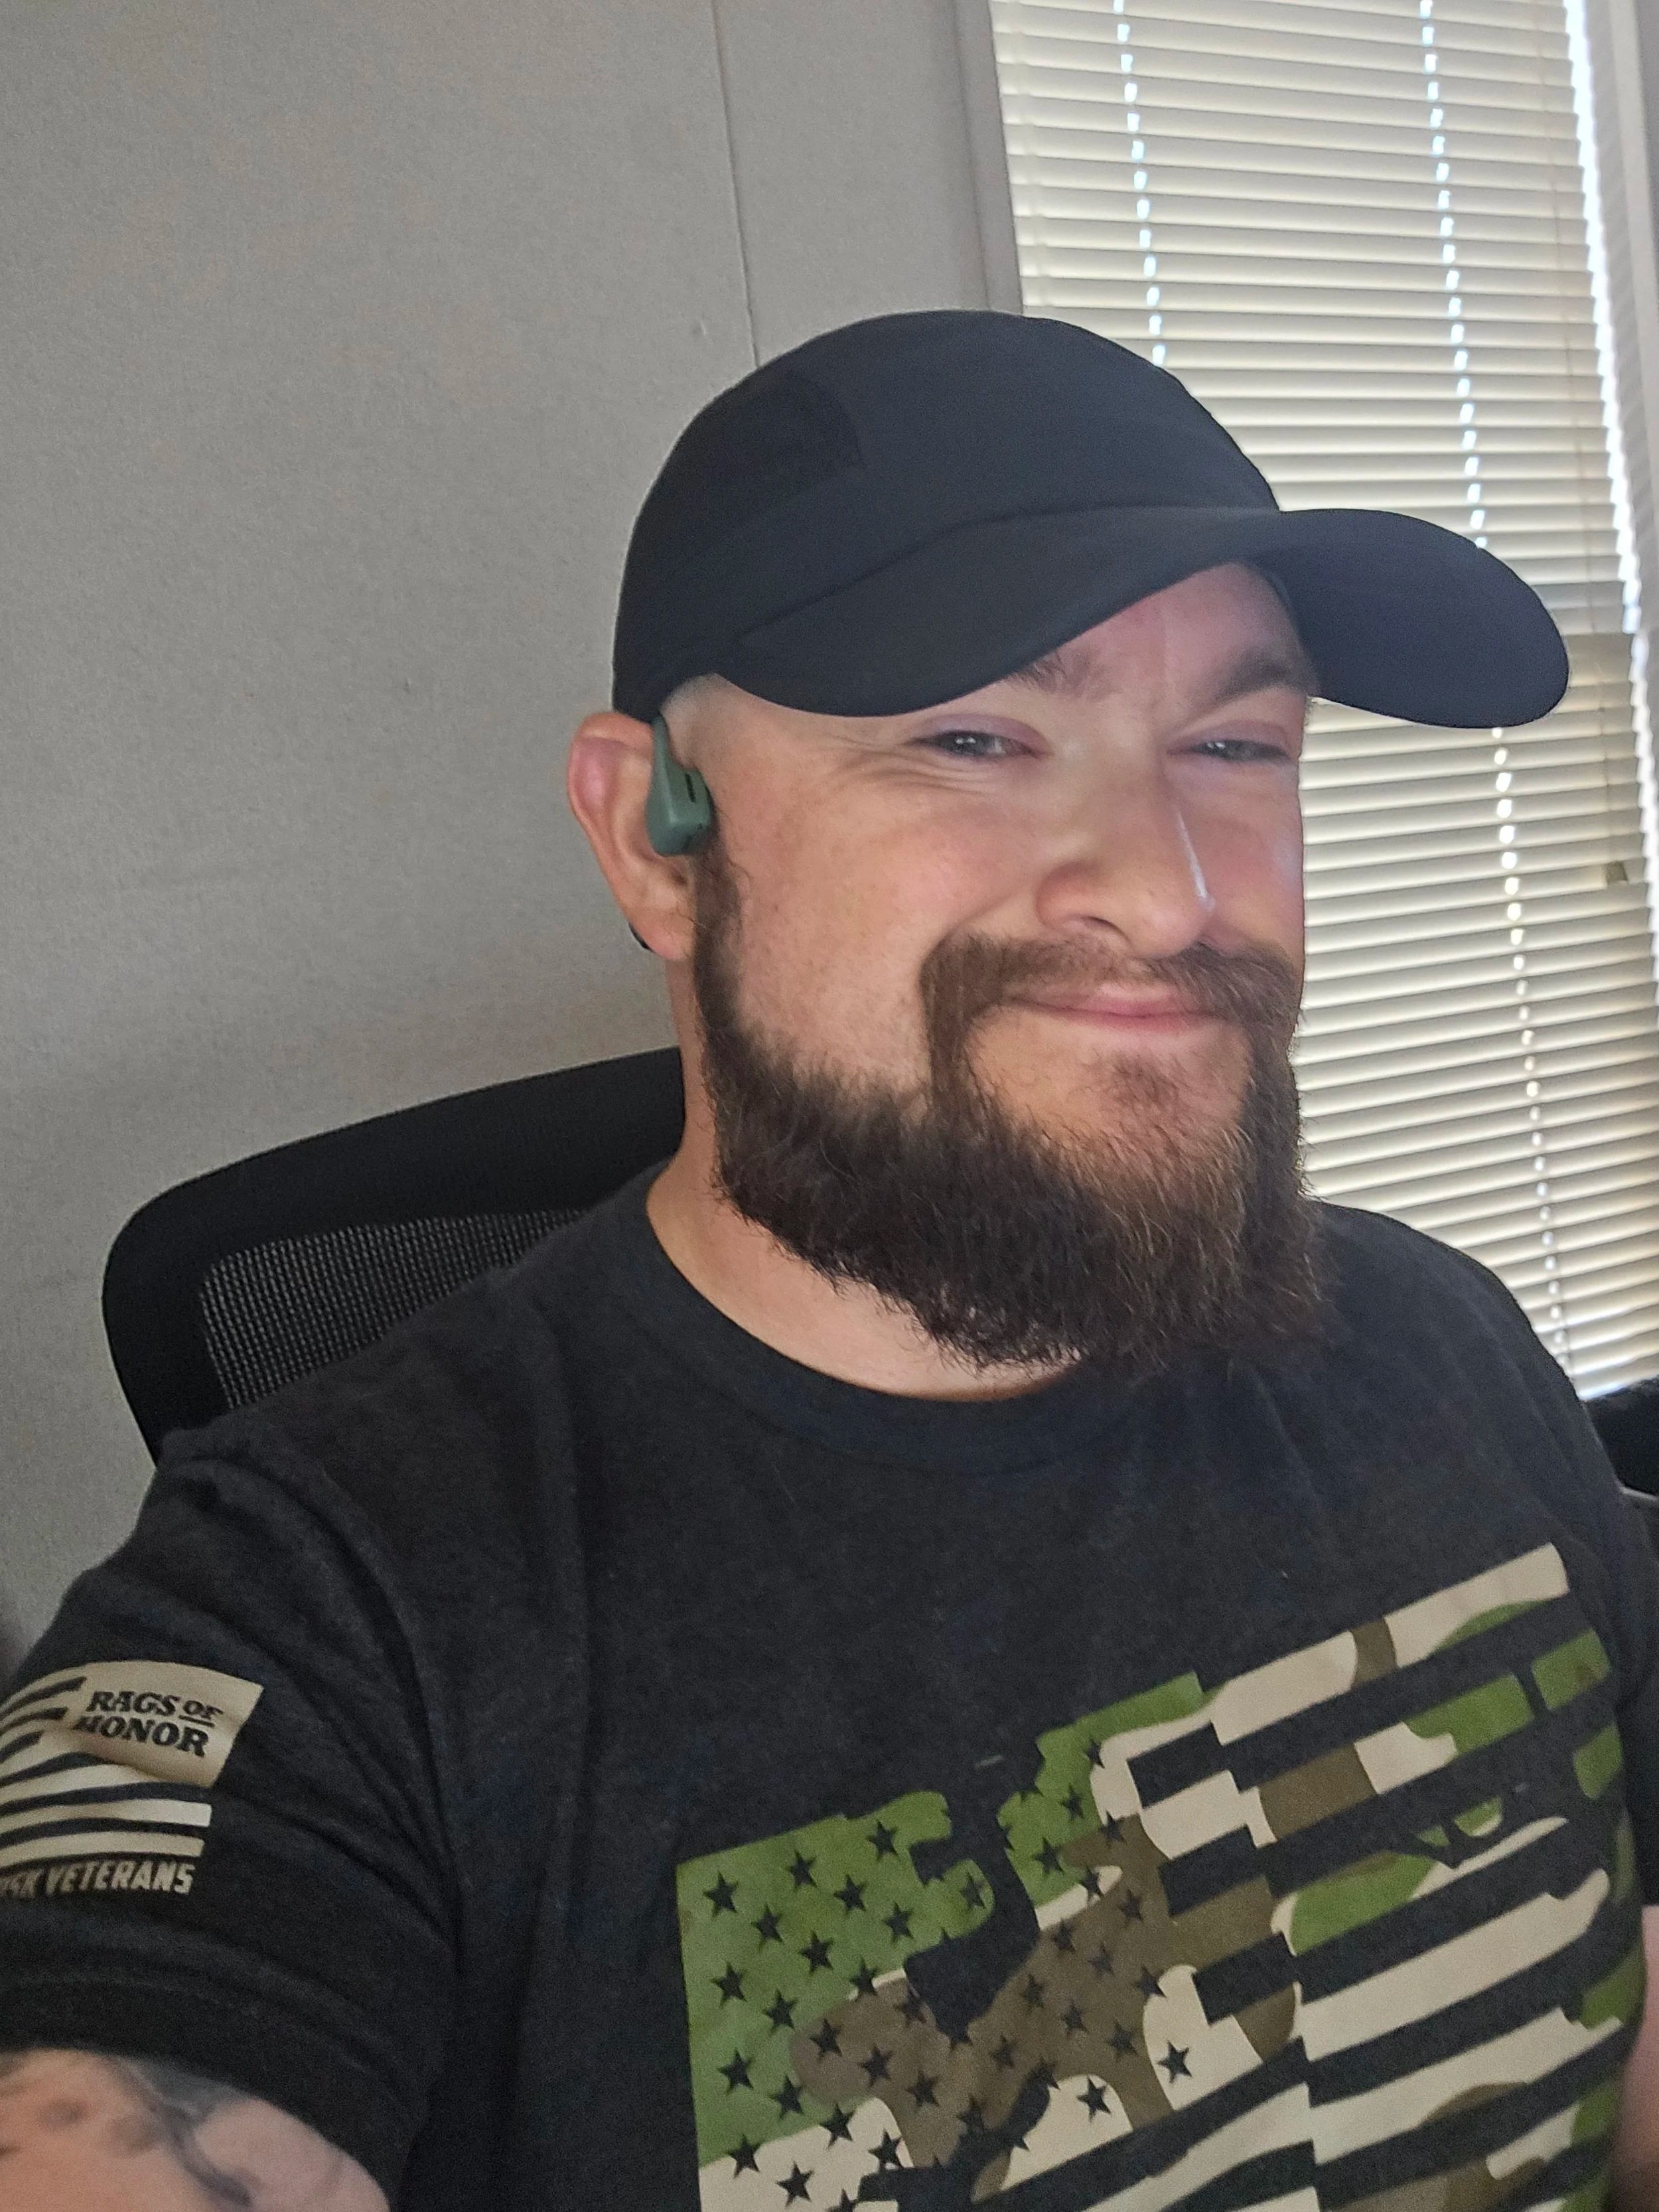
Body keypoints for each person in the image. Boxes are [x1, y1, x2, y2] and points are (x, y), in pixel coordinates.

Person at [1, 308, 1655, 2212]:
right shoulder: (329, 1618)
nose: (1169, 890)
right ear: (655, 839)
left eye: (1233, 743)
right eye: (972, 737)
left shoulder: (1430, 1344)